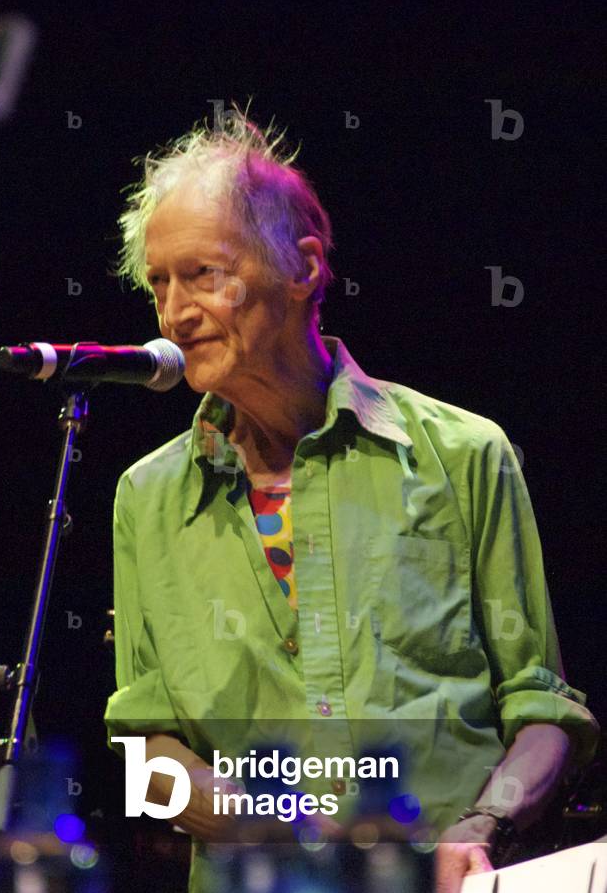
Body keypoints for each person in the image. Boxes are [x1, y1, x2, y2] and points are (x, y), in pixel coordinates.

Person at [104, 107, 600, 893]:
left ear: (302, 267)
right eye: (158, 282)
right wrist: (292, 840)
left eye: (204, 273)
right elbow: (145, 757)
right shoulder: (148, 496)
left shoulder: (465, 453)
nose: (174, 311)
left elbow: (543, 710)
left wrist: (476, 832)